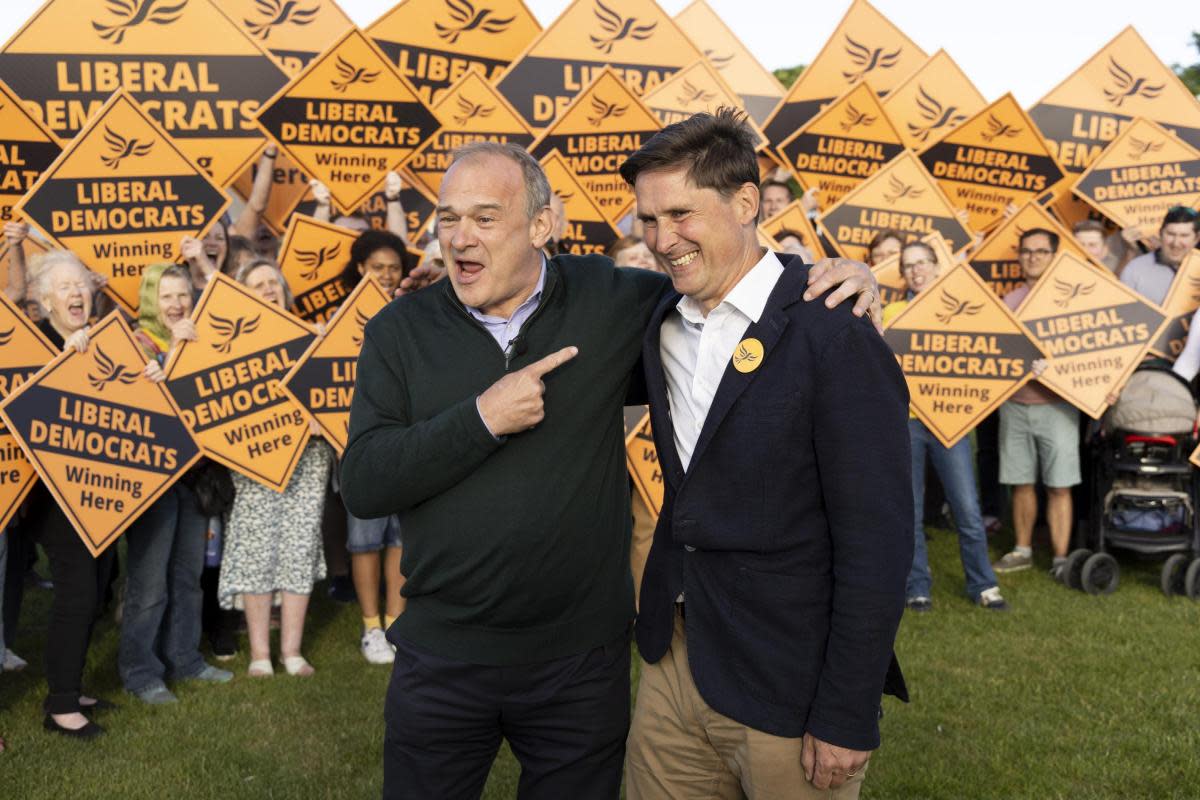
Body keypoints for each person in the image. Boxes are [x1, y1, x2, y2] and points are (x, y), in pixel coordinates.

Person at [341, 139, 879, 798]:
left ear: (543, 225)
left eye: (484, 218)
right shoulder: (400, 329)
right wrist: (479, 419)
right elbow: (364, 482)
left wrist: (840, 272)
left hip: (582, 664)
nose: (459, 237)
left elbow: (731, 279)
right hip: (442, 655)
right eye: (447, 219)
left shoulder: (616, 300)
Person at [620, 109, 911, 800]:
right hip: (676, 661)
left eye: (682, 214)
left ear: (746, 202)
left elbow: (878, 541)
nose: (664, 240)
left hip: (790, 677)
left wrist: (845, 710)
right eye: (649, 220)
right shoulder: (657, 319)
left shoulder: (833, 332)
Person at [118, 264, 234, 704]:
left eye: (182, 294)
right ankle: (141, 672)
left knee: (187, 576)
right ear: (151, 301)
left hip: (195, 477)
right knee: (149, 584)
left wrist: (191, 353)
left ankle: (184, 658)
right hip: (153, 482)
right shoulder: (133, 343)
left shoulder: (202, 338)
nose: (175, 304)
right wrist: (166, 366)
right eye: (165, 295)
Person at [218, 258, 332, 678]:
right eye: (257, 284)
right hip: (254, 461)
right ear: (244, 294)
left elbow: (336, 395)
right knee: (255, 549)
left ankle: (293, 651)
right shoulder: (228, 345)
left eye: (273, 283)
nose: (268, 289)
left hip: (308, 459)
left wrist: (325, 417)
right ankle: (261, 655)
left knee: (299, 546)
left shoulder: (314, 338)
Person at [882, 242, 1010, 613]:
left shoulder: (962, 309)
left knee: (967, 508)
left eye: (923, 263)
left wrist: (1024, 365)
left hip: (949, 422)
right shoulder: (890, 311)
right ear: (903, 273)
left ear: (938, 267)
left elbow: (994, 349)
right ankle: (917, 585)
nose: (916, 270)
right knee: (912, 508)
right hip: (906, 423)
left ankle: (984, 584)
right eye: (909, 265)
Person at [26, 251, 118, 737]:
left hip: (99, 493)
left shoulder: (105, 342)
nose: (76, 293)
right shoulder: (34, 343)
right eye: (64, 287)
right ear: (44, 302)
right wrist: (65, 358)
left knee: (97, 585)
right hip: (51, 496)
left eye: (81, 285)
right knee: (76, 592)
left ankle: (72, 684)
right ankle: (60, 706)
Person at [336, 230, 416, 663]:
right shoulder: (336, 321)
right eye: (377, 267)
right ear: (360, 270)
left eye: (393, 268)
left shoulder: (416, 314)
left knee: (401, 536)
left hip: (406, 446)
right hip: (359, 449)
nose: (386, 275)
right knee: (364, 537)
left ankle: (396, 621)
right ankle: (371, 628)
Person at [992, 228, 1079, 577]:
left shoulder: (1069, 301)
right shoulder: (1008, 301)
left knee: (1059, 484)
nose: (1032, 257)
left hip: (1057, 405)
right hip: (1014, 403)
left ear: (1054, 256)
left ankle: (1060, 558)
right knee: (1021, 481)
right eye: (1026, 251)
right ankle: (1022, 549)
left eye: (1041, 251)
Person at [1119, 206, 1200, 305]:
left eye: (1184, 235)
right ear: (1160, 233)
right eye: (1171, 234)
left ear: (1196, 238)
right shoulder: (1135, 269)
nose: (1176, 243)